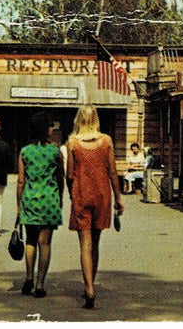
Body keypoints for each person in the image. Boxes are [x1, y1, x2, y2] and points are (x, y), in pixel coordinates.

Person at [66, 105, 123, 309]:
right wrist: (118, 197)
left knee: (85, 244)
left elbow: (70, 174)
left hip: (81, 194)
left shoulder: (72, 143)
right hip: (102, 195)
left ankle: (89, 288)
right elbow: (113, 171)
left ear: (79, 119)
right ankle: (92, 284)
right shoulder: (106, 141)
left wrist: (73, 196)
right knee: (96, 242)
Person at [17, 111, 64, 298]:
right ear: (45, 129)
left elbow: (21, 180)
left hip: (30, 198)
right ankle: (40, 284)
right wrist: (60, 197)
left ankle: (28, 275)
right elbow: (60, 177)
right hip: (49, 200)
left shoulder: (25, 151)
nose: (53, 129)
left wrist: (19, 203)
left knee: (30, 240)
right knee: (45, 243)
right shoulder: (55, 152)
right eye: (51, 125)